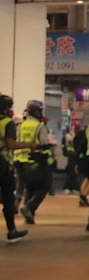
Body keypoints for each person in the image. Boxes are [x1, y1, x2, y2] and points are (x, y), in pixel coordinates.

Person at [12, 100, 54, 225]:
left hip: (19, 160)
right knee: (44, 186)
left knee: (28, 187)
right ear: (36, 111)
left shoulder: (20, 125)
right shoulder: (39, 126)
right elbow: (44, 143)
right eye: (40, 111)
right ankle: (29, 207)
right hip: (35, 160)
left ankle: (29, 216)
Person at [0, 95, 30, 242]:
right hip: (3, 164)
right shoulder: (7, 123)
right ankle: (12, 230)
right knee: (7, 196)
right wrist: (29, 145)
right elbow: (11, 144)